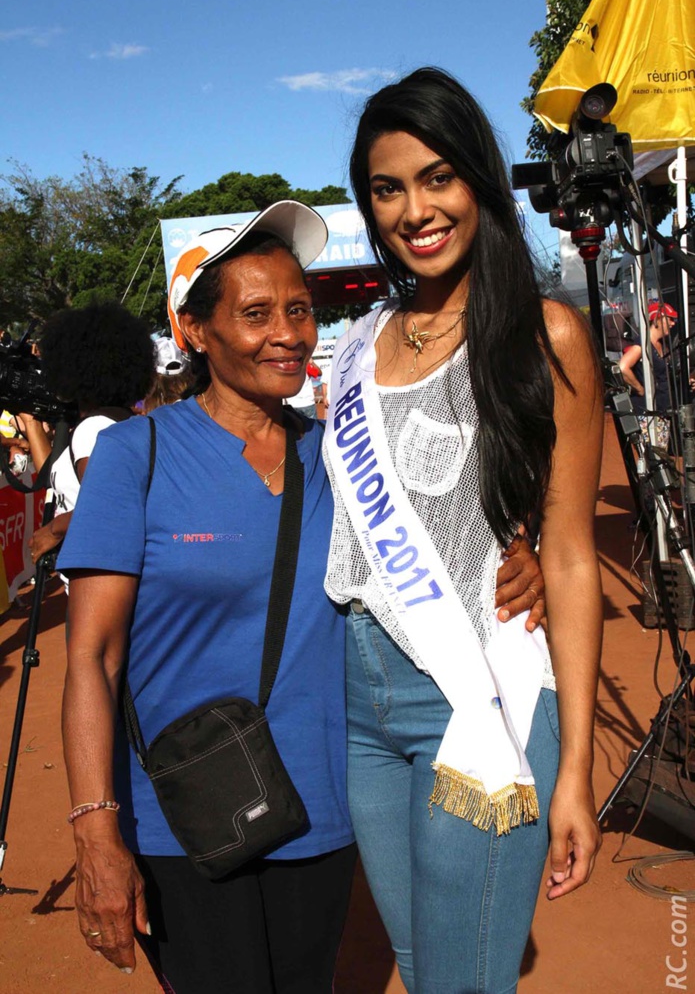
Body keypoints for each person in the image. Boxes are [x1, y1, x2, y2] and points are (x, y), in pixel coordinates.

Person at [57, 200, 543, 993]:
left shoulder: (344, 459)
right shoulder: (134, 455)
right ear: (196, 333)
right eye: (254, 313)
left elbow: (446, 541)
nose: (287, 332)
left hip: (318, 813)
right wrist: (96, 829)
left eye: (298, 309)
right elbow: (91, 655)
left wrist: (521, 559)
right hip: (180, 814)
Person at [322, 68, 604, 993]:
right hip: (361, 704)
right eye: (387, 187)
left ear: (478, 180)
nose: (415, 209)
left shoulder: (543, 333)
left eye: (437, 177)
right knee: (421, 962)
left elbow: (565, 554)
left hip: (478, 691)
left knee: (461, 982)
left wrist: (573, 773)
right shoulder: (360, 344)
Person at [20, 303, 155, 568]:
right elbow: (57, 478)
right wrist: (32, 424)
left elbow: (110, 505)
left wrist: (54, 530)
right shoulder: (121, 420)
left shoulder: (92, 429)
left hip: (102, 580)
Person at [619, 301, 677, 448]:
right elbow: (623, 367)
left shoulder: (662, 345)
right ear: (658, 319)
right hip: (648, 411)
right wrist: (640, 389)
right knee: (652, 455)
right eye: (670, 319)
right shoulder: (643, 344)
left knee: (661, 454)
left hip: (662, 409)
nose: (673, 323)